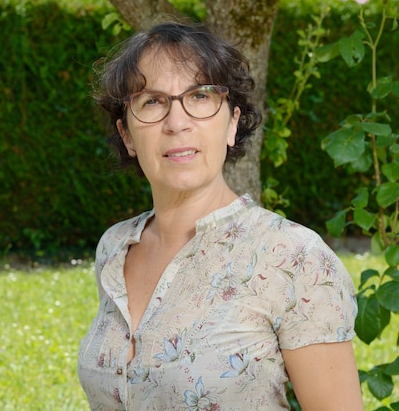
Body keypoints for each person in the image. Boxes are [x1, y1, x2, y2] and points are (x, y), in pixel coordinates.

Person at [77, 21, 364, 410]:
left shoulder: (293, 258)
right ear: (127, 135)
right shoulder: (115, 247)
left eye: (199, 97)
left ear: (231, 122)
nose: (177, 123)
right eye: (152, 102)